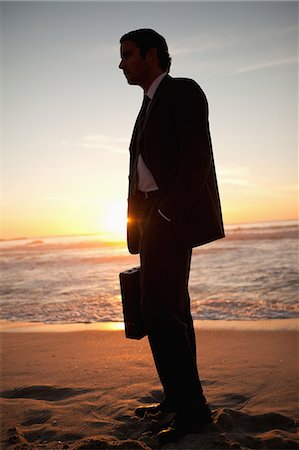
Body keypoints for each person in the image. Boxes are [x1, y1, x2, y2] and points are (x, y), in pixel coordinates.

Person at [118, 28, 224, 444]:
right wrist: (138, 221)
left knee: (159, 312)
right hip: (149, 216)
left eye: (127, 54)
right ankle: (178, 399)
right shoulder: (147, 104)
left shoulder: (183, 91)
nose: (121, 63)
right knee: (173, 309)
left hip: (167, 214)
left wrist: (167, 212)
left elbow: (198, 156)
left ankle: (193, 413)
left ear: (151, 54)